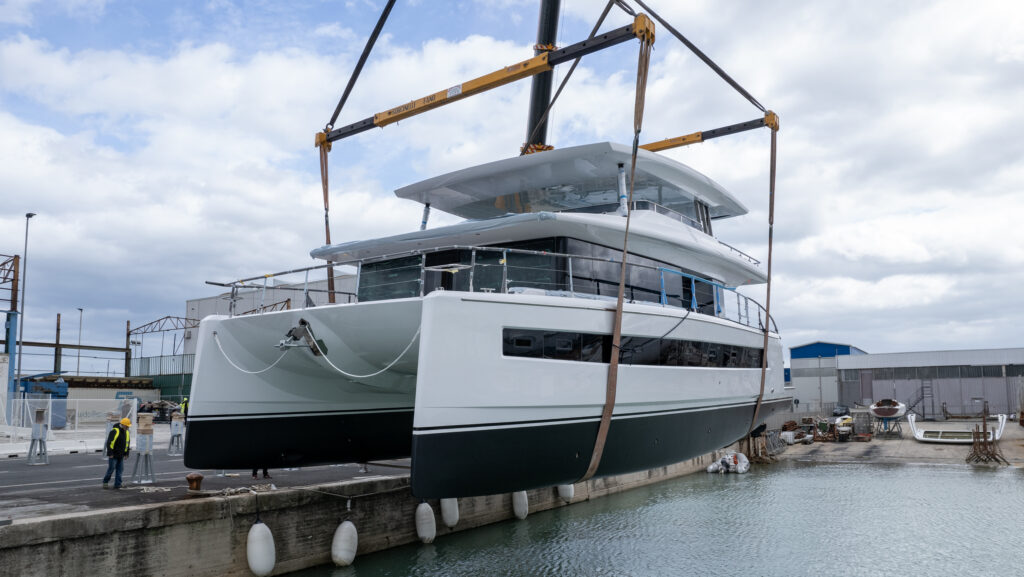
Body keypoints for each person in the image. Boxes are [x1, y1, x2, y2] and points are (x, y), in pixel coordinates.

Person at [103, 418, 131, 489]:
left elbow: (127, 444)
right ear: (123, 425)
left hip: (121, 455)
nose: (128, 427)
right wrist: (110, 453)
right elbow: (110, 443)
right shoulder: (115, 431)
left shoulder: (126, 432)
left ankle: (118, 484)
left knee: (120, 470)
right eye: (127, 426)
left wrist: (126, 453)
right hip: (114, 455)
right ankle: (105, 482)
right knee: (111, 469)